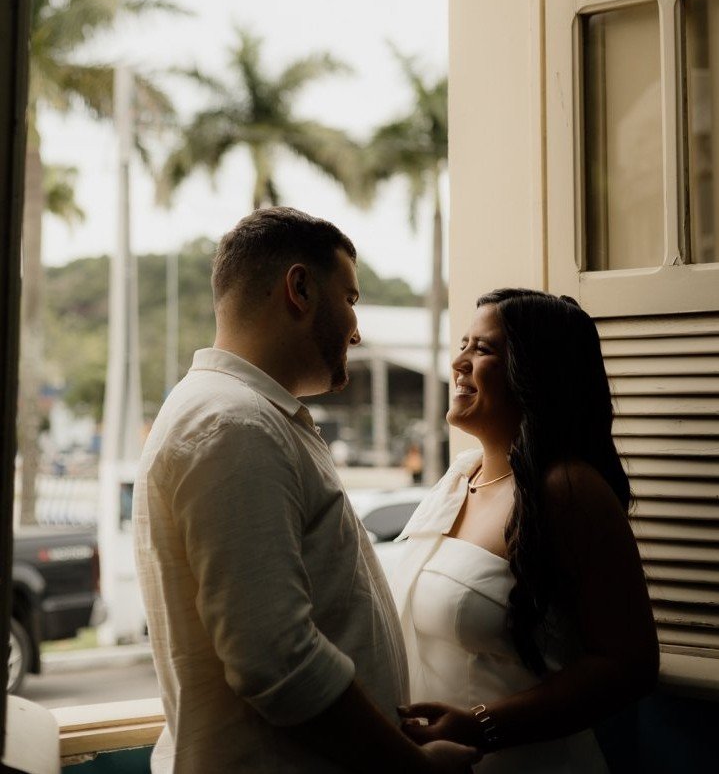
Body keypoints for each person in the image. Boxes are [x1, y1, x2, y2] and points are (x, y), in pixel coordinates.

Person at [133, 206, 476, 774]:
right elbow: (277, 662)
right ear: (300, 289)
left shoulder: (249, 416)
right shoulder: (234, 425)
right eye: (350, 299)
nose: (356, 330)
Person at [384, 288, 659, 772]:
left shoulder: (568, 489)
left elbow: (629, 664)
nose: (458, 363)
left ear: (535, 372)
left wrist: (482, 726)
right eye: (463, 345)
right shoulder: (458, 478)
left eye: (483, 349)